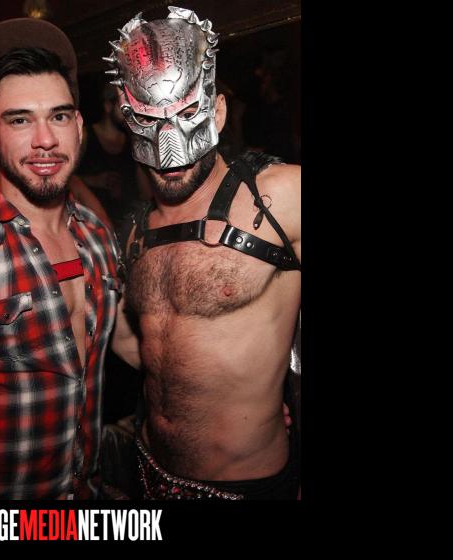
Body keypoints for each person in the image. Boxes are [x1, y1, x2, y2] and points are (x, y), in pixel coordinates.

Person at [107, 6, 301, 500]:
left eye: (186, 116)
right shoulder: (136, 230)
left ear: (216, 112)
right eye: (148, 121)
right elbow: (139, 343)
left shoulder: (279, 196)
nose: (169, 150)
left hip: (248, 485)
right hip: (148, 473)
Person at [0, 17, 122, 499]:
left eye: (58, 117)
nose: (45, 140)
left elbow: (138, 344)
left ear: (79, 126)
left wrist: (232, 401)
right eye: (19, 120)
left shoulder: (97, 235)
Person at [76, 83, 152, 225]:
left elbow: (146, 194)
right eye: (125, 106)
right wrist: (93, 180)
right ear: (108, 106)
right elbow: (65, 180)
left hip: (130, 223)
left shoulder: (133, 139)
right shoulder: (85, 136)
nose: (131, 112)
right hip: (93, 224)